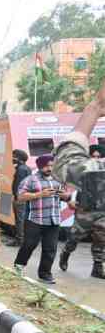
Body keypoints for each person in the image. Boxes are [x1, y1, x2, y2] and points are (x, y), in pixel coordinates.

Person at [53, 79, 105, 280]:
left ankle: (97, 267)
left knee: (101, 239)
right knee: (74, 237)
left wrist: (93, 110)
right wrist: (71, 198)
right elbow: (74, 188)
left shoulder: (93, 170)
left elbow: (67, 162)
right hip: (86, 210)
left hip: (100, 213)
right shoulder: (95, 171)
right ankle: (66, 253)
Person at [13, 154, 71, 284]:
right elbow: (20, 196)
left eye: (51, 165)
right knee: (29, 245)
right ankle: (18, 266)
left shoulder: (58, 179)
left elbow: (66, 197)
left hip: (54, 219)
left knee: (50, 248)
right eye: (46, 166)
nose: (49, 168)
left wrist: (66, 196)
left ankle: (45, 274)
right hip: (35, 219)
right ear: (40, 166)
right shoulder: (31, 180)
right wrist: (40, 194)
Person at [11, 149, 32, 247]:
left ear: (19, 158)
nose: (12, 158)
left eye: (14, 156)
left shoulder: (21, 169)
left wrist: (16, 197)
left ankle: (19, 240)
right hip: (25, 198)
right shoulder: (27, 168)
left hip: (20, 199)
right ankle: (22, 239)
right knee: (23, 219)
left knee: (19, 220)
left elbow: (18, 185)